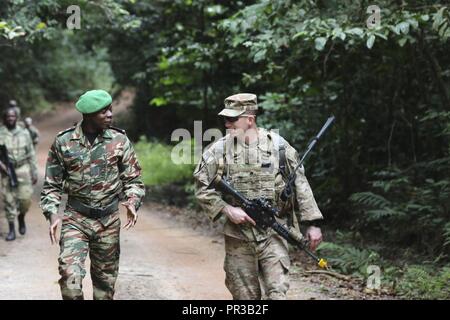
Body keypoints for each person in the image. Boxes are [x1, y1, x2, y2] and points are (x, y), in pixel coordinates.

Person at [193, 93, 324, 300]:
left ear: (250, 119)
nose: (227, 124)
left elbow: (300, 184)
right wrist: (227, 209)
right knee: (245, 297)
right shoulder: (218, 150)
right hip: (239, 237)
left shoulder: (279, 147)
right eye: (225, 119)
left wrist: (313, 223)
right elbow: (202, 188)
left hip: (275, 231)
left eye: (232, 119)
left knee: (277, 292)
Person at [40, 89, 145, 300]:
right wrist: (52, 214)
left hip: (108, 221)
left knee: (104, 286)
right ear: (88, 115)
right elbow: (51, 186)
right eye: (103, 111)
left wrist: (133, 201)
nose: (109, 115)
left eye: (110, 110)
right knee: (69, 278)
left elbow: (133, 180)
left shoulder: (119, 140)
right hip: (75, 219)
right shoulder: (64, 142)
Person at [0, 108, 38, 241]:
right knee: (8, 199)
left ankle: (21, 216)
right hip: (6, 171)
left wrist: (34, 171)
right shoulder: (0, 133)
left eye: (13, 116)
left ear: (16, 118)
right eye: (8, 116)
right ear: (4, 119)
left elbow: (31, 153)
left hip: (22, 169)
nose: (10, 118)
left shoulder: (24, 133)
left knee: (25, 200)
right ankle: (11, 230)